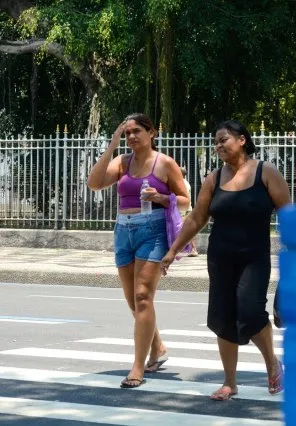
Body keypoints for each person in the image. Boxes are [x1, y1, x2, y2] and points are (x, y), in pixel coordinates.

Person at [161, 119, 291, 401]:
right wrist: (173, 251)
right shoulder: (214, 178)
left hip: (253, 257)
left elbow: (288, 213)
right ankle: (229, 382)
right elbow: (197, 218)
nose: (218, 146)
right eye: (216, 142)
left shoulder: (265, 173)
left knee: (250, 311)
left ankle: (272, 364)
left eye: (224, 140)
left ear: (242, 140)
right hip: (220, 257)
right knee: (222, 316)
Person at [87, 113, 190, 389]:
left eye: (137, 132)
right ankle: (157, 347)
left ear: (151, 133)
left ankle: (137, 367)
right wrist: (112, 145)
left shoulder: (164, 163)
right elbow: (94, 183)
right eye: (127, 132)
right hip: (123, 230)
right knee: (134, 300)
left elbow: (184, 200)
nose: (131, 137)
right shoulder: (122, 162)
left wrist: (160, 197)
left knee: (143, 295)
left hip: (153, 230)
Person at [179, 166, 199, 257]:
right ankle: (193, 249)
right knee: (188, 229)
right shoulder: (185, 183)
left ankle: (193, 249)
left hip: (183, 210)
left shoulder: (182, 183)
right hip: (186, 209)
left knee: (187, 230)